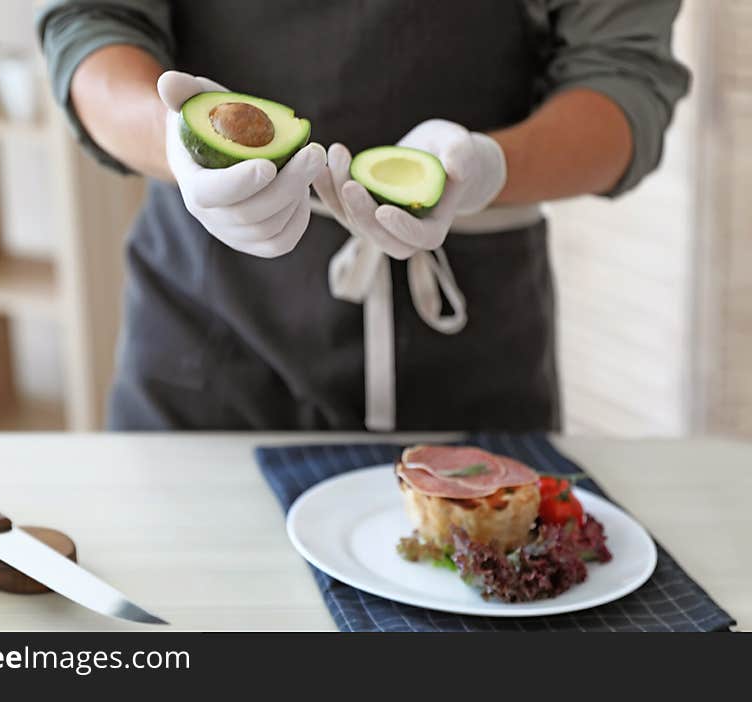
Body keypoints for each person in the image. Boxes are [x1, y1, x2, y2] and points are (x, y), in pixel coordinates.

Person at [37, 1, 689, 431]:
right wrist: (177, 142)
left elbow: (624, 77)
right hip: (206, 332)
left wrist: (487, 167)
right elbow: (91, 24)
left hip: (470, 349)